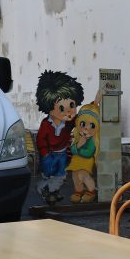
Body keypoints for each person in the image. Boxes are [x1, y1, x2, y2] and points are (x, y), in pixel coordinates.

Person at [35, 70, 84, 204]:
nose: (69, 111)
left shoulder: (69, 123)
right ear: (49, 108)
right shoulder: (46, 124)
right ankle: (45, 189)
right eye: (62, 108)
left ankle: (52, 193)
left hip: (62, 153)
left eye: (72, 105)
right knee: (49, 174)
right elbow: (40, 139)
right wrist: (44, 153)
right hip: (49, 154)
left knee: (60, 175)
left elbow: (80, 120)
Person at [68, 100, 100, 203]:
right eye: (83, 124)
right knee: (75, 176)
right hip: (76, 160)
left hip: (86, 160)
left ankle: (91, 191)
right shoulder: (78, 137)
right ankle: (78, 191)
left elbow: (89, 152)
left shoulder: (92, 140)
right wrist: (79, 146)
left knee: (83, 175)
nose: (86, 128)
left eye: (91, 125)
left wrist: (78, 149)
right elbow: (72, 149)